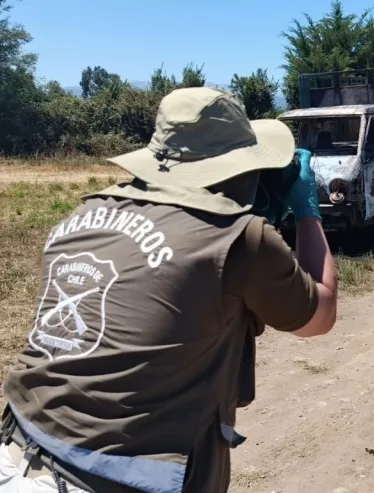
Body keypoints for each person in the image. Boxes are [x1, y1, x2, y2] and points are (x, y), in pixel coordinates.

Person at [0, 87, 338, 493]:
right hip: (117, 477)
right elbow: (319, 315)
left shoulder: (83, 215)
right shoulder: (241, 238)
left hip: (18, 447)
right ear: (240, 168)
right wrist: (307, 212)